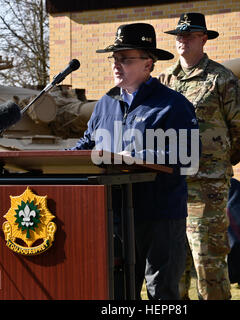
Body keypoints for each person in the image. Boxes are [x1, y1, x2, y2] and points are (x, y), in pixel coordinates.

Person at [71, 22, 199, 300]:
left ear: (148, 63)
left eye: (125, 59)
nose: (117, 65)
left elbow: (186, 157)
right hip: (113, 214)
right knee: (116, 291)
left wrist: (134, 158)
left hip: (159, 216)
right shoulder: (105, 103)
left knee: (162, 293)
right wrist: (63, 160)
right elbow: (88, 143)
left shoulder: (172, 105)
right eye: (114, 59)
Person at [159, 12, 240, 300]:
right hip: (171, 184)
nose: (182, 40)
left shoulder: (221, 79)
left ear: (204, 39)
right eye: (179, 35)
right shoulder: (165, 80)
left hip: (207, 186)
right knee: (173, 263)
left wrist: (218, 163)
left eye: (189, 35)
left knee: (207, 260)